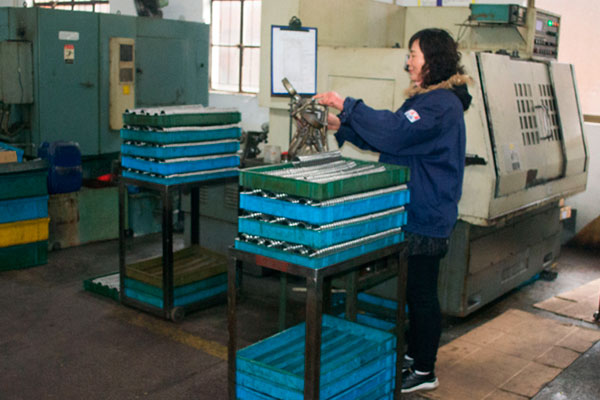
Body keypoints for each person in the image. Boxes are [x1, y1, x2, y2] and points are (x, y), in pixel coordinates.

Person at [314, 28, 472, 394]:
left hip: (426, 214)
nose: (408, 63)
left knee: (422, 294)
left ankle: (425, 370)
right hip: (416, 210)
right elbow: (390, 140)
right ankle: (415, 355)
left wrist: (347, 105)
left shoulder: (440, 105)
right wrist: (341, 125)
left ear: (432, 60)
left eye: (413, 55)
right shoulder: (429, 100)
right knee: (415, 291)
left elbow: (394, 131)